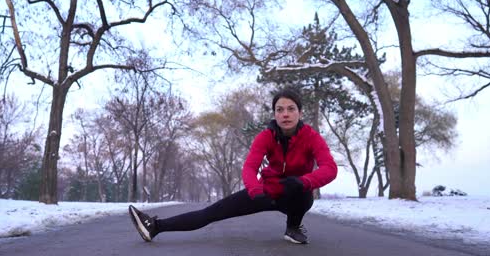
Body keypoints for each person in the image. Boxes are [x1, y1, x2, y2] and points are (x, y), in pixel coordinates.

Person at [128, 88, 338, 244]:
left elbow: (330, 168)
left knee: (303, 192)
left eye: (291, 109)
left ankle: (293, 227)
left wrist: (303, 181)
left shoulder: (312, 137)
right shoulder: (266, 137)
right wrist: (255, 189)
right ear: (274, 114)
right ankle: (155, 227)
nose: (285, 114)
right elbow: (249, 167)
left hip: (296, 194)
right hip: (267, 191)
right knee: (211, 213)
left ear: (300, 113)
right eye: (280, 109)